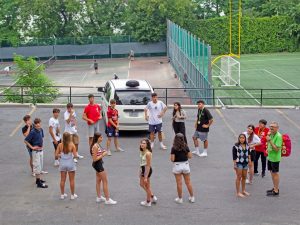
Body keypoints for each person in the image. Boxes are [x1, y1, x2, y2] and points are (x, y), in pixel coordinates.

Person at [91, 132, 117, 205]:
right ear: (97, 138)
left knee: (98, 180)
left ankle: (99, 197)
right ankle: (107, 199)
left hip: (97, 164)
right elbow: (94, 159)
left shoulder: (97, 145)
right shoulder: (95, 146)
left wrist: (102, 152)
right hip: (98, 164)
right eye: (100, 137)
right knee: (105, 181)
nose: (102, 138)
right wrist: (103, 154)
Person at [170, 133, 195, 204]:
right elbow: (190, 156)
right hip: (185, 165)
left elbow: (172, 159)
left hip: (177, 166)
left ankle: (180, 198)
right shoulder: (185, 146)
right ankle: (192, 197)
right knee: (188, 182)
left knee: (179, 183)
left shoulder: (173, 148)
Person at [24, 118, 48, 188]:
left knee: (40, 165)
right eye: (36, 125)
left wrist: (42, 145)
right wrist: (32, 147)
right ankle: (39, 184)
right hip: (36, 152)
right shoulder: (32, 132)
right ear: (34, 125)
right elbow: (26, 141)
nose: (38, 126)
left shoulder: (41, 130)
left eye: (39, 124)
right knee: (37, 166)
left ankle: (38, 180)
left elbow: (42, 138)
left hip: (41, 150)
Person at [55, 132, 78, 200]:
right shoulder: (72, 145)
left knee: (62, 180)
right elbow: (75, 156)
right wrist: (73, 157)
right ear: (69, 138)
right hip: (70, 163)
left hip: (62, 164)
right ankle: (72, 195)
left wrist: (61, 155)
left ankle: (62, 195)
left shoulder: (60, 145)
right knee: (72, 180)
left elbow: (56, 155)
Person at [139, 139, 157, 207]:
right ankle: (152, 195)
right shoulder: (142, 151)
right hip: (143, 169)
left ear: (147, 145)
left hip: (147, 170)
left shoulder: (148, 153)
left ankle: (148, 201)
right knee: (141, 184)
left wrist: (146, 176)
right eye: (141, 143)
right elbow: (141, 161)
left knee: (147, 186)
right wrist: (140, 170)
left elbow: (148, 165)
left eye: (144, 143)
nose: (142, 144)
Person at [266, 122, 282, 197]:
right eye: (270, 126)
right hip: (270, 157)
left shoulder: (278, 136)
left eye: (273, 127)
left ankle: (276, 190)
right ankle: (275, 187)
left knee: (275, 173)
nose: (271, 128)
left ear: (277, 128)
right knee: (272, 172)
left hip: (275, 158)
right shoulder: (271, 134)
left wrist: (270, 140)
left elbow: (276, 149)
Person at [232, 133, 251, 198]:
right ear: (239, 138)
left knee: (244, 177)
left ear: (245, 138)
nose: (242, 139)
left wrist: (250, 161)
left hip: (245, 163)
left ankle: (243, 190)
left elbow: (249, 154)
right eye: (240, 138)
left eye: (243, 138)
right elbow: (234, 157)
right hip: (238, 163)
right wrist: (234, 165)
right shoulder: (235, 146)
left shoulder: (247, 145)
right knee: (239, 177)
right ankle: (238, 192)